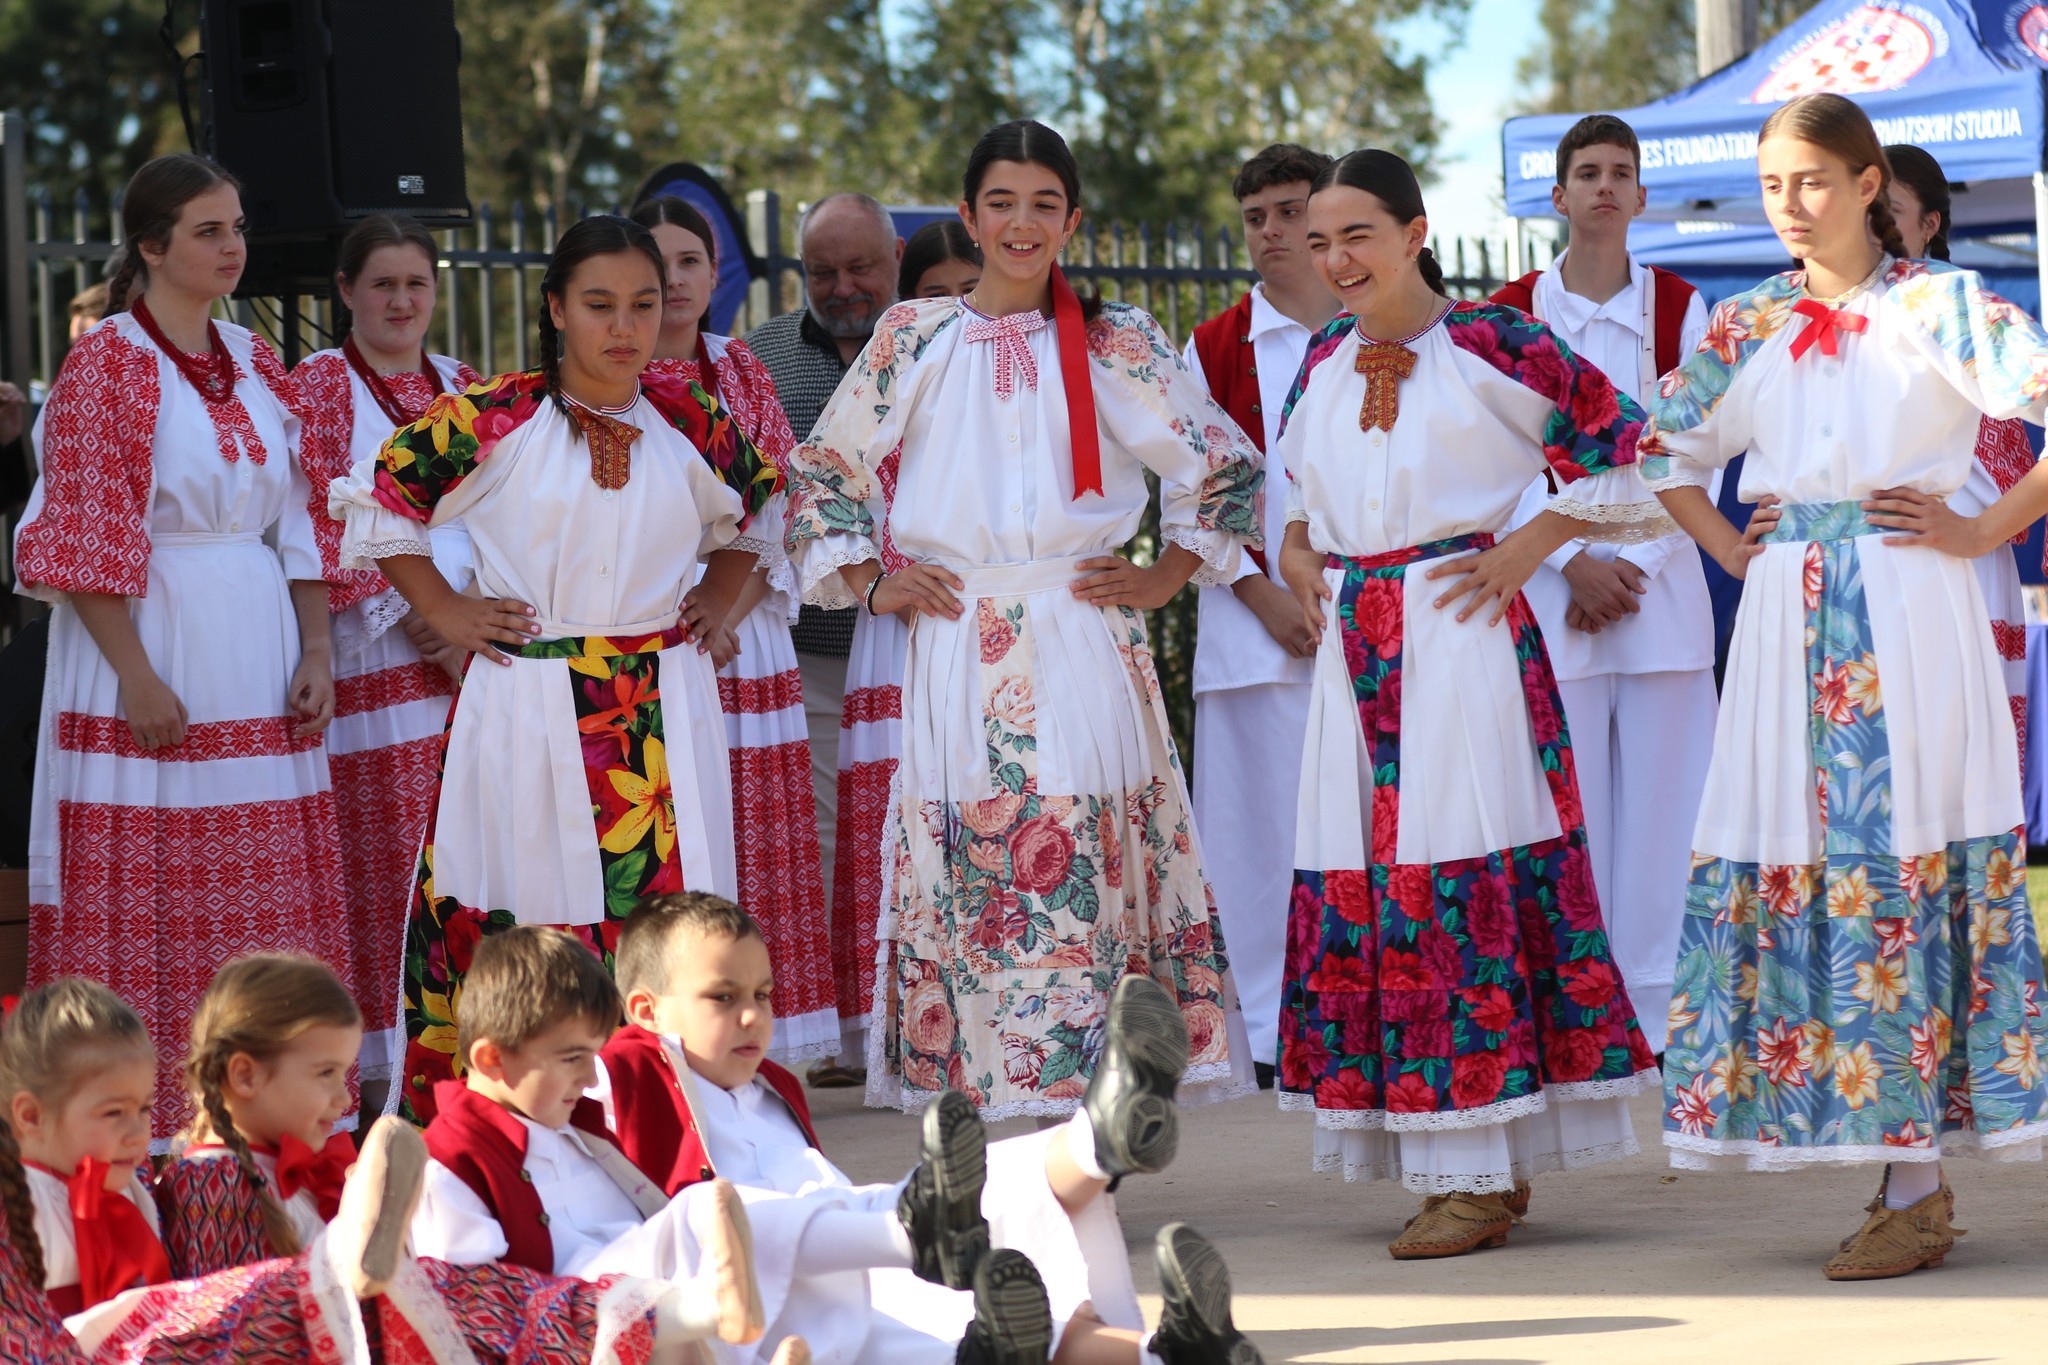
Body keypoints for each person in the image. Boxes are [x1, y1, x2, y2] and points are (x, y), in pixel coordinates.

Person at [1641, 92, 2048, 1279]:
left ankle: (1914, 1180)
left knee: (1903, 850)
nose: (1789, 206)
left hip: (1910, 608)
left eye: (1811, 181)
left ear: (1869, 185)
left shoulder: (1941, 305)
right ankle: (1882, 1157)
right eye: (1771, 185)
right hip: (1780, 619)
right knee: (1799, 853)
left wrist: (1985, 535)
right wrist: (1726, 548)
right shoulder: (1741, 320)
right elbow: (1662, 453)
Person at [785, 119, 1265, 1121]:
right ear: (966, 214)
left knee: (1083, 856)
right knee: (971, 865)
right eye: (1000, 202)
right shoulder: (910, 337)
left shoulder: (1115, 338)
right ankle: (998, 1135)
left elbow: (1221, 462)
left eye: (1043, 204)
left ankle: (1091, 1130)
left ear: (1071, 220)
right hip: (961, 639)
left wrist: (1166, 571)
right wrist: (872, 579)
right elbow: (820, 470)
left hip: (1080, 634)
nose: (1020, 222)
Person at [1273, 148, 1662, 1258]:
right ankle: (1466, 1159)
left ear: (1413, 232)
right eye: (1318, 241)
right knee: (1378, 884)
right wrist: (1302, 550)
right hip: (1358, 649)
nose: (1335, 258)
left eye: (1356, 234)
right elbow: (1302, 496)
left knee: (1460, 875)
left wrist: (1529, 545)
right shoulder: (1317, 360)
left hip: (1458, 639)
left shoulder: (1497, 340)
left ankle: (1473, 1173)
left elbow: (1633, 446)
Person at [328, 214, 777, 1125]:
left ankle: (671, 1123)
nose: (625, 328)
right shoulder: (496, 414)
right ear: (556, 309)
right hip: (528, 701)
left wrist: (717, 595)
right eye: (600, 305)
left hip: (661, 703)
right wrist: (445, 610)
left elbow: (765, 516)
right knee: (527, 910)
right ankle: (519, 1127)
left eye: (644, 306)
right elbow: (378, 502)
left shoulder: (693, 417)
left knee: (668, 921)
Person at [13, 153, 350, 1148]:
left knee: (266, 881)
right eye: (208, 230)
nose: (233, 246)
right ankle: (151, 1127)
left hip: (257, 634)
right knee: (157, 874)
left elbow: (304, 515)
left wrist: (319, 647)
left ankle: (272, 1111)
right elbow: (80, 536)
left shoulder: (253, 362)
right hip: (153, 637)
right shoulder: (108, 360)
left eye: (237, 227)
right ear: (151, 246)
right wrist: (137, 677)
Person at [593, 892, 1264, 1365]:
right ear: (647, 1011)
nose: (751, 1016)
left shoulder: (774, 1086)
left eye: (763, 994)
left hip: (865, 1247)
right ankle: (1096, 1153)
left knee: (1003, 1240)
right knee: (971, 1314)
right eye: (723, 996)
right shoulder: (631, 1066)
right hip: (769, 1290)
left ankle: (1160, 1328)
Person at [0, 979, 722, 1364]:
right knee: (327, 1292)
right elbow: (208, 1309)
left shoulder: (139, 1194)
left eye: (140, 1110)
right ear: (28, 1116)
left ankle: (676, 1315)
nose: (135, 1133)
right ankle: (346, 1258)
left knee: (452, 1286)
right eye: (112, 1114)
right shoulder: (40, 1202)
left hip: (246, 1334)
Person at [1485, 114, 1715, 1056]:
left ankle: (1666, 1018)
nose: (1606, 187)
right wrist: (1569, 560)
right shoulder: (1509, 309)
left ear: (1642, 194)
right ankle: (1580, 1015)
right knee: (1566, 813)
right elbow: (1492, 458)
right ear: (1559, 194)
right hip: (1552, 590)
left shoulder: (1681, 308)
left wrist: (1635, 562)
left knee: (1671, 809)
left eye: (1622, 172)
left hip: (1661, 588)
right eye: (1588, 172)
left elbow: (1692, 446)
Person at [629, 196, 837, 1068]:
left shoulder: (740, 369)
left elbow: (783, 500)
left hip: (741, 630)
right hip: (653, 629)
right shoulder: (616, 374)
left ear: (716, 276)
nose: (674, 282)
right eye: (658, 264)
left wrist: (728, 606)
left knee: (754, 828)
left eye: (689, 263)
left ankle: (755, 1040)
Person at [292, 215, 481, 1110]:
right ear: (344, 292)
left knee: (463, 865)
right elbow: (323, 512)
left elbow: (500, 508)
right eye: (383, 285)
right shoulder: (323, 387)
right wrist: (422, 617)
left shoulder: (468, 386)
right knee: (386, 867)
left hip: (472, 660)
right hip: (377, 659)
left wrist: (471, 622)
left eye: (417, 283)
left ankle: (463, 1058)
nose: (402, 301)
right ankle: (375, 1075)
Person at [1180, 143, 1337, 1087]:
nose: (1272, 232)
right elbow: (1191, 502)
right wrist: (1262, 592)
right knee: (1257, 839)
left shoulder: (1374, 325)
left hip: (1362, 622)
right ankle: (1278, 1034)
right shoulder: (1210, 346)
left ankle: (1359, 1011)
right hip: (1251, 632)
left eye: (1290, 212)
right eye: (1257, 218)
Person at [818, 220, 983, 1091]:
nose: (957, 307)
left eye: (971, 288)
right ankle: (883, 1023)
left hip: (990, 618)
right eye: (938, 290)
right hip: (901, 625)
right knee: (892, 820)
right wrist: (880, 578)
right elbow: (834, 483)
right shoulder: (889, 376)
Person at [743, 195, 904, 1084]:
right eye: (822, 272)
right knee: (819, 845)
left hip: (918, 637)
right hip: (809, 645)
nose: (843, 289)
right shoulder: (763, 356)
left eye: (861, 268)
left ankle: (901, 1017)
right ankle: (837, 1032)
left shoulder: (932, 343)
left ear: (897, 254)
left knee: (903, 831)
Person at [1885, 143, 2034, 783]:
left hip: (1964, 570)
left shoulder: (1960, 309)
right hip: (1865, 578)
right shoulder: (1812, 313)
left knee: (1961, 786)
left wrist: (1975, 530)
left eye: (1889, 210)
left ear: (1929, 224)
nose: (1873, 227)